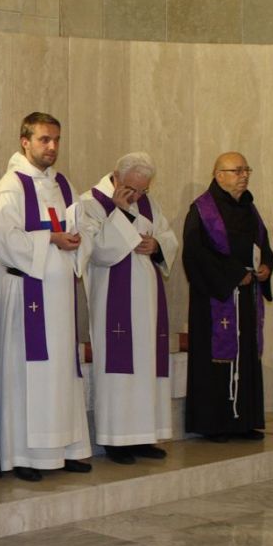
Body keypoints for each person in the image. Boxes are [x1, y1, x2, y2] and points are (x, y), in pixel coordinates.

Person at [0, 112, 92, 482]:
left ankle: (65, 448)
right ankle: (24, 454)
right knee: (26, 374)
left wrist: (77, 237)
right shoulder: (10, 187)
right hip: (26, 296)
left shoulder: (62, 184)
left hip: (59, 296)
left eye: (56, 140)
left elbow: (81, 225)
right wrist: (51, 238)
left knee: (62, 370)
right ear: (25, 141)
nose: (52, 147)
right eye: (44, 139)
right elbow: (2, 239)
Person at [78, 152, 178, 465]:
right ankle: (117, 440)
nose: (137, 196)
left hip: (148, 300)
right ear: (116, 176)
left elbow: (167, 236)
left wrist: (157, 246)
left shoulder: (149, 203)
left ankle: (144, 435)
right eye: (132, 189)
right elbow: (97, 251)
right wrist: (119, 213)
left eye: (143, 190)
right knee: (119, 368)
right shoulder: (90, 203)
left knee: (147, 365)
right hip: (113, 301)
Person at [183, 152, 273, 442]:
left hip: (246, 299)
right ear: (219, 174)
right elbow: (195, 255)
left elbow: (264, 245)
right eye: (237, 170)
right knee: (216, 361)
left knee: (246, 356)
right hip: (215, 301)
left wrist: (266, 266)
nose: (244, 175)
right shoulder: (202, 210)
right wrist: (234, 275)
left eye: (246, 170)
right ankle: (215, 424)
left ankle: (244, 421)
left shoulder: (249, 208)